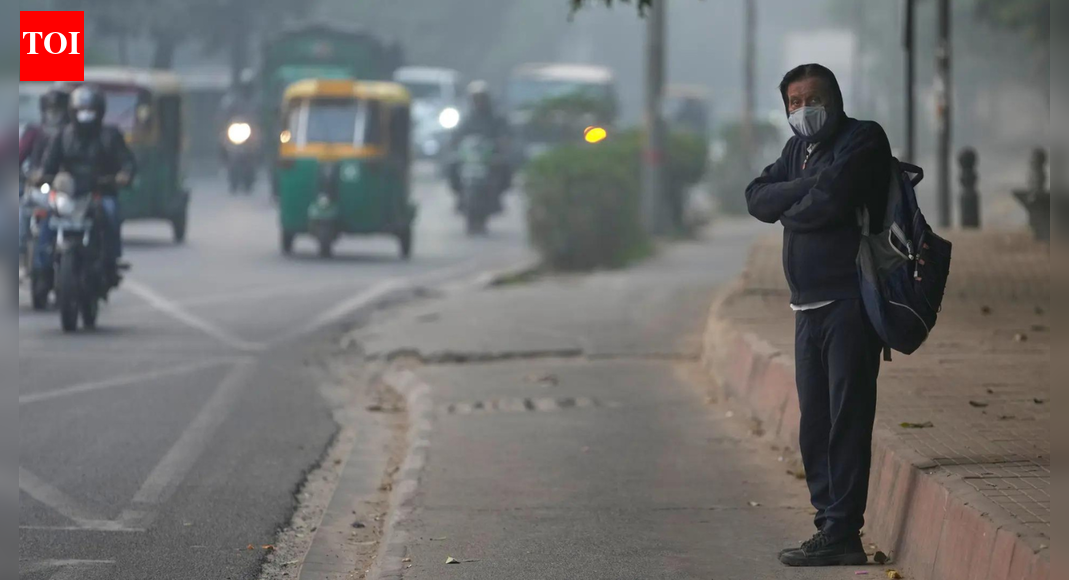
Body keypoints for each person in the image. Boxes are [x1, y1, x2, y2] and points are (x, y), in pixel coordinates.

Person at [744, 63, 892, 567]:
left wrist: (795, 198)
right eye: (793, 103)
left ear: (835, 98)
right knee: (816, 424)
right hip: (805, 307)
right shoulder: (796, 150)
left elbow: (827, 206)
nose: (803, 110)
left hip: (850, 301)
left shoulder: (863, 139)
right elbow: (756, 198)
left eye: (812, 99)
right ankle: (827, 526)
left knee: (847, 420)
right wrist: (802, 188)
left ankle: (843, 531)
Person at [37, 85, 137, 287]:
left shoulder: (111, 135)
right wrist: (41, 176)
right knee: (47, 216)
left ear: (99, 111)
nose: (85, 116)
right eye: (81, 110)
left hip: (101, 192)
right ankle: (41, 267)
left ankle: (111, 262)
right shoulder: (63, 136)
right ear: (72, 111)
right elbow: (48, 164)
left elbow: (127, 161)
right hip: (70, 194)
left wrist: (124, 175)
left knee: (110, 214)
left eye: (89, 111)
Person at [448, 80, 512, 213]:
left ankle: (497, 197)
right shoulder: (466, 118)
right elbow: (457, 135)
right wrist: (454, 144)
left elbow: (504, 136)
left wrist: (502, 144)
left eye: (481, 98)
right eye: (476, 99)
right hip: (469, 157)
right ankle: (460, 195)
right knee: (452, 165)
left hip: (489, 156)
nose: (479, 102)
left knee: (504, 165)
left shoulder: (496, 118)